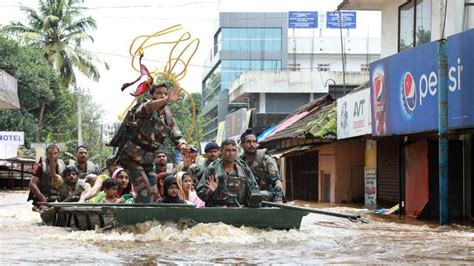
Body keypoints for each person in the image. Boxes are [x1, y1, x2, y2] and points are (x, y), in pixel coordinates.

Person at [111, 82, 188, 203]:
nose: (163, 95)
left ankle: (134, 210)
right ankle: (137, 219)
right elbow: (149, 106)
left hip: (148, 160)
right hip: (131, 156)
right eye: (159, 93)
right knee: (144, 191)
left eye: (165, 93)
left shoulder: (168, 117)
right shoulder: (144, 107)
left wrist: (182, 145)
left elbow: (176, 134)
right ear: (152, 95)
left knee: (153, 195)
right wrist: (166, 99)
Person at [196, 139, 262, 207]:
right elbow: (200, 191)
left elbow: (254, 189)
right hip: (217, 211)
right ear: (221, 151)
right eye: (227, 150)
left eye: (234, 150)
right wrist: (210, 191)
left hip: (240, 210)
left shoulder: (243, 167)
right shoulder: (213, 168)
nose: (231, 153)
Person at [239, 129, 284, 203]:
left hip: (264, 195)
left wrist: (278, 199)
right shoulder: (239, 161)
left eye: (254, 142)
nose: (252, 144)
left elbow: (277, 181)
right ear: (242, 144)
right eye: (248, 142)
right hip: (246, 196)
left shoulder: (266, 159)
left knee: (261, 194)